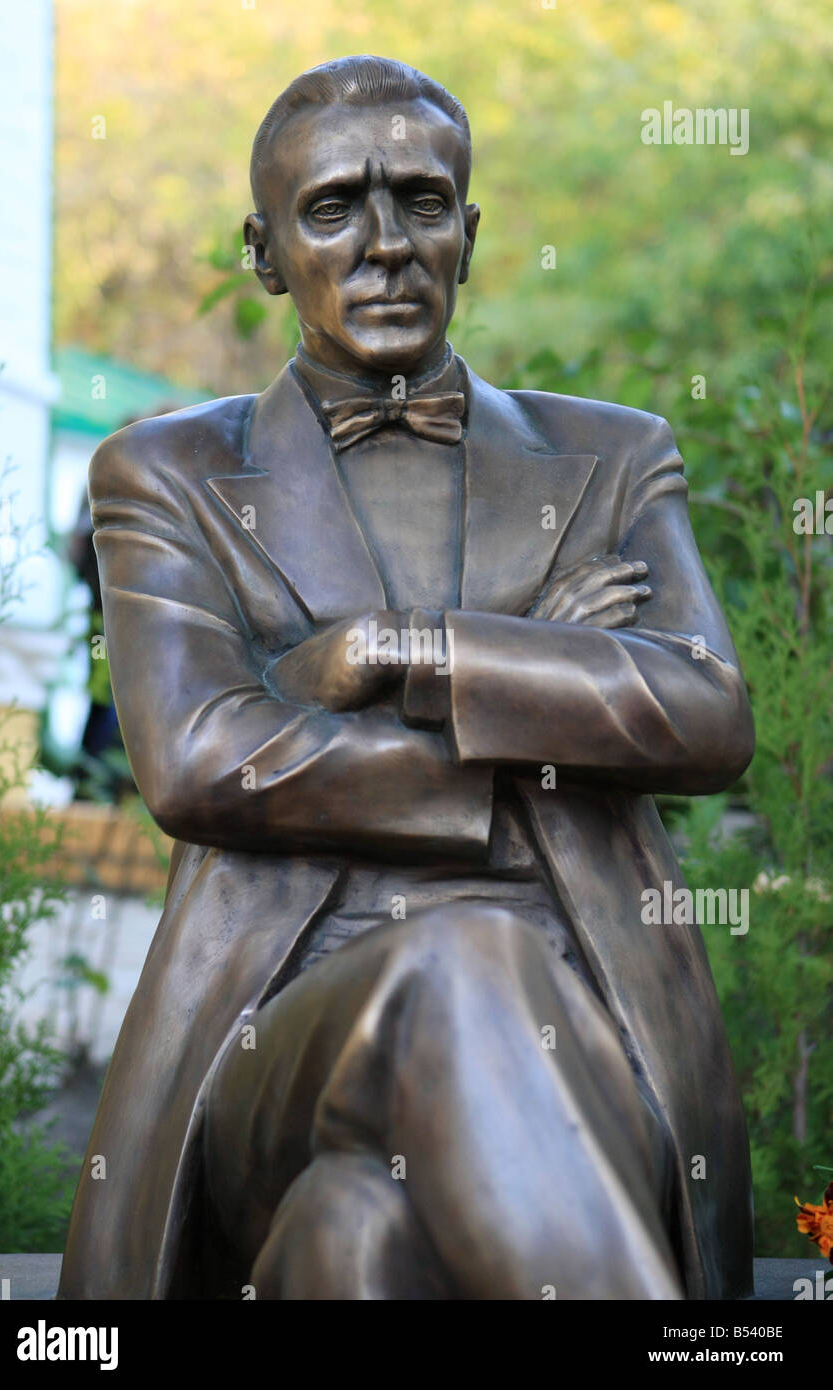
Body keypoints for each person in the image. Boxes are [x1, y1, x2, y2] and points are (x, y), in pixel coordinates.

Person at [57, 56, 755, 1301]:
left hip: (583, 1039)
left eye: (420, 203)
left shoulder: (609, 457)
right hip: (277, 1039)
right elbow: (207, 760)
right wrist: (542, 676)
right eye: (333, 210)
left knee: (350, 1240)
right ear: (265, 252)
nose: (385, 245)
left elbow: (701, 711)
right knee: (463, 960)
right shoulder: (160, 473)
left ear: (470, 235)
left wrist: (393, 651)